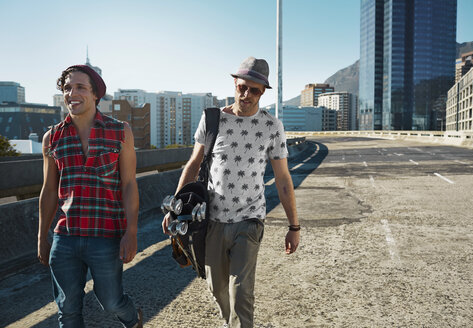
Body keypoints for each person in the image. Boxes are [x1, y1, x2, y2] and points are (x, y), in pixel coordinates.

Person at [162, 56, 300, 328]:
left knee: (241, 295)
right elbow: (193, 164)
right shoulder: (213, 120)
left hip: (249, 220)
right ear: (234, 83)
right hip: (212, 220)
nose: (246, 94)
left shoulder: (272, 127)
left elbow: (283, 179)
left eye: (254, 90)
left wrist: (294, 226)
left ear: (263, 92)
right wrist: (174, 209)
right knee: (216, 289)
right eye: (242, 87)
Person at [37, 65, 143, 328]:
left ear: (96, 94)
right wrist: (42, 236)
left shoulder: (121, 132)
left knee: (110, 301)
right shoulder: (52, 137)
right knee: (68, 309)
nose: (72, 93)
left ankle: (132, 319)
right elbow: (49, 190)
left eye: (80, 87)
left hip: (106, 235)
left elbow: (129, 184)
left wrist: (131, 231)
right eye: (67, 88)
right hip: (66, 237)